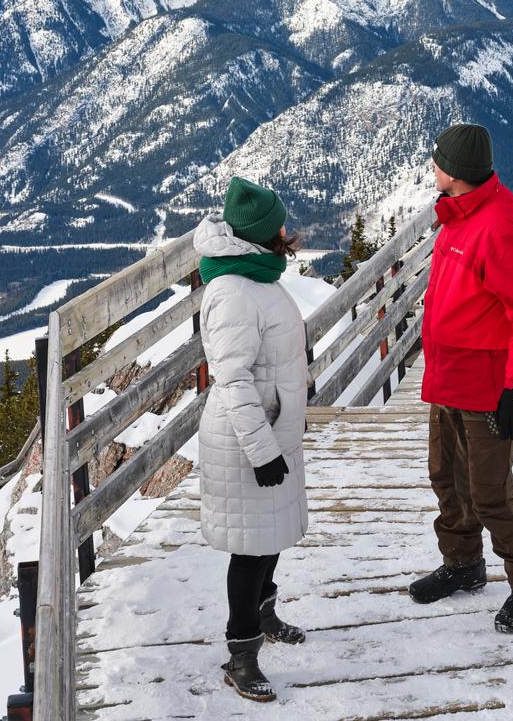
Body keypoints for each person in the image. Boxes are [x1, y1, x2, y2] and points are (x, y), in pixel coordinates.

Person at [407, 122, 513, 633]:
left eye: (437, 159)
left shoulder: (498, 226)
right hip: (447, 377)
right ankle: (464, 564)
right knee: (446, 479)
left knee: (490, 492)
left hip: (488, 387)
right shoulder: (459, 216)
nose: (432, 165)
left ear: (455, 172)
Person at [196, 176, 311, 703]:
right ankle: (240, 655)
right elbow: (233, 378)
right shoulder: (234, 291)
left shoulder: (256, 274)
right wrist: (263, 449)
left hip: (271, 429)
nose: (287, 230)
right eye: (280, 224)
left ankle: (264, 614)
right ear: (263, 234)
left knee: (271, 534)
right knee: (251, 548)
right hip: (248, 440)